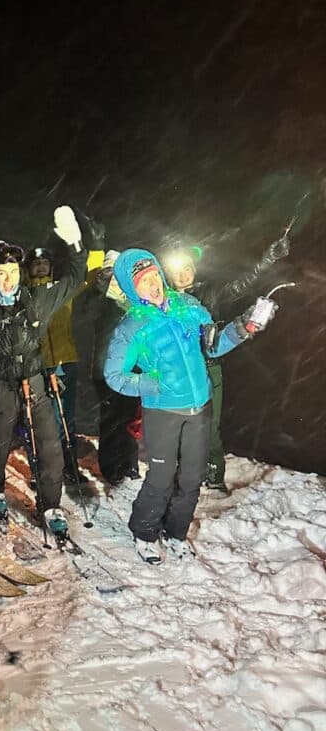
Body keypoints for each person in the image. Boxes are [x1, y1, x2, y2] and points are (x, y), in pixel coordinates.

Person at [104, 249, 276, 564]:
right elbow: (114, 375)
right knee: (161, 476)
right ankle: (144, 531)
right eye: (144, 282)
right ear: (132, 289)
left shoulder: (189, 307)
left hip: (200, 407)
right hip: (163, 413)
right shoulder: (132, 326)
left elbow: (213, 345)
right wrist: (153, 385)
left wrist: (243, 328)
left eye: (155, 275)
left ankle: (176, 532)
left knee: (192, 477)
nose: (153, 285)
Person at [0, 206, 88, 543]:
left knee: (50, 445)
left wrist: (76, 245)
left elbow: (75, 279)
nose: (8, 278)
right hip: (0, 382)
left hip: (35, 379)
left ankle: (50, 504)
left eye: (13, 271)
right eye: (1, 273)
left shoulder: (36, 300)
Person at [161, 234, 290, 491]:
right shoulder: (162, 300)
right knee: (175, 427)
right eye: (179, 269)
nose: (184, 274)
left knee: (210, 426)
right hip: (175, 373)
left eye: (188, 268)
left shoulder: (210, 292)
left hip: (209, 369)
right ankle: (178, 474)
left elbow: (243, 284)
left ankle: (214, 475)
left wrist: (267, 260)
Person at [24, 224, 105, 484]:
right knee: (36, 419)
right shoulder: (21, 295)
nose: (40, 267)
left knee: (66, 418)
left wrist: (97, 248)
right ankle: (41, 468)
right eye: (35, 263)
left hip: (64, 361)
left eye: (44, 262)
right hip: (35, 366)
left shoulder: (62, 290)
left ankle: (69, 465)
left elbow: (89, 276)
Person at [87, 249, 141, 485]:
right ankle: (110, 467)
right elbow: (90, 310)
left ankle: (129, 463)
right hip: (106, 370)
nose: (115, 281)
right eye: (110, 275)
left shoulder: (132, 302)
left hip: (132, 369)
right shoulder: (98, 300)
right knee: (111, 419)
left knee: (130, 418)